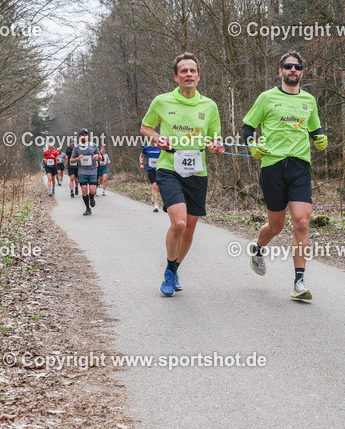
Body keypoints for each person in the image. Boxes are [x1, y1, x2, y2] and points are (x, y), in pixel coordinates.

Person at [242, 51, 327, 300]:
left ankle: (299, 282)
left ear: (302, 71)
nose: (293, 70)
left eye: (297, 67)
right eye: (288, 66)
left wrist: (321, 139)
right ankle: (258, 247)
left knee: (301, 221)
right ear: (280, 71)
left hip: (300, 167)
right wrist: (252, 145)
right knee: (276, 226)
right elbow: (247, 126)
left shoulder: (309, 100)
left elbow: (316, 130)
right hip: (272, 167)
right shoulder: (267, 98)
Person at [139, 52, 224, 296]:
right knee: (179, 222)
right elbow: (145, 127)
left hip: (197, 169)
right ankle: (168, 271)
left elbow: (213, 137)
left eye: (192, 71)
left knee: (190, 227)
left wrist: (215, 145)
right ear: (176, 77)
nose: (188, 74)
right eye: (183, 71)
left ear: (198, 76)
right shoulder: (162, 101)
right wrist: (156, 138)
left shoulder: (209, 105)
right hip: (168, 167)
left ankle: (174, 269)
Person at [70, 129, 101, 215]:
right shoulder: (76, 148)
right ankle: (88, 209)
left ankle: (91, 197)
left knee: (92, 189)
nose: (84, 136)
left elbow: (100, 157)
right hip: (82, 171)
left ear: (88, 136)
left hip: (92, 171)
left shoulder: (93, 146)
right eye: (82, 134)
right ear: (80, 137)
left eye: (86, 134)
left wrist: (97, 157)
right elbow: (71, 160)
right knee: (84, 190)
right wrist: (77, 158)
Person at [139, 144, 162, 211]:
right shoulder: (146, 148)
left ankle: (154, 195)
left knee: (158, 188)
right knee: (154, 186)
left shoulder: (160, 147)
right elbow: (141, 156)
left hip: (159, 169)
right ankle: (156, 205)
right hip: (150, 169)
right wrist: (141, 164)